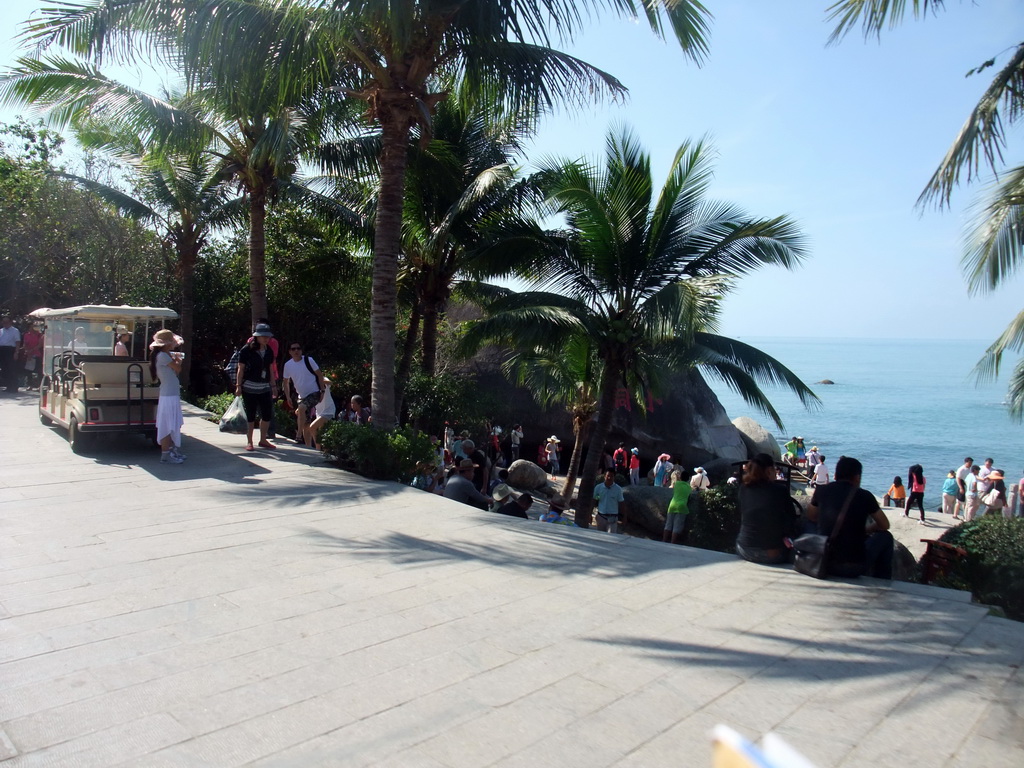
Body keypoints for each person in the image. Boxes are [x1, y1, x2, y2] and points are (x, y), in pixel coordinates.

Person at [806, 455, 893, 579]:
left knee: (809, 524)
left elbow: (811, 516)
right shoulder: (865, 496)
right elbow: (885, 525)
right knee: (886, 537)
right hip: (853, 567)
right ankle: (882, 580)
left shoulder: (822, 491)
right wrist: (869, 529)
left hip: (824, 562)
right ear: (857, 477)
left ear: (835, 475)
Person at [735, 453, 799, 564]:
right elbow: (791, 518)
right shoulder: (780, 490)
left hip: (744, 549)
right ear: (769, 471)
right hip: (771, 554)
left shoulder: (744, 488)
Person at [236, 322, 277, 451]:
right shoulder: (246, 350)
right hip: (249, 387)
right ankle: (249, 441)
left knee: (266, 414)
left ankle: (263, 439)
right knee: (251, 415)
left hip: (265, 386)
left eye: (268, 336)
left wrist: (273, 385)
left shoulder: (269, 350)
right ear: (256, 336)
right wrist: (238, 385)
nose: (266, 338)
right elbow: (240, 368)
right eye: (263, 336)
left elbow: (270, 368)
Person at [149, 329, 186, 464]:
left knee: (171, 423)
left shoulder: (162, 355)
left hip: (170, 393)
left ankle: (170, 451)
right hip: (169, 395)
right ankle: (166, 453)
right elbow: (178, 369)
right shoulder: (163, 356)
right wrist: (178, 360)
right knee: (168, 424)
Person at [282, 342, 326, 447]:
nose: (296, 351)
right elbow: (285, 382)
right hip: (302, 396)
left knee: (301, 408)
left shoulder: (309, 360)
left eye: (298, 348)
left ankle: (298, 435)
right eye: (293, 349)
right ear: (290, 352)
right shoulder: (288, 365)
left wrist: (322, 391)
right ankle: (307, 447)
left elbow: (320, 375)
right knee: (306, 423)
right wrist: (287, 397)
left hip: (314, 393)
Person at [305, 377, 336, 451]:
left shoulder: (322, 378)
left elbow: (330, 382)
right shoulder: (309, 386)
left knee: (312, 427)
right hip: (319, 412)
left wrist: (317, 380)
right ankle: (325, 452)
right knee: (322, 433)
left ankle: (318, 449)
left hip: (328, 410)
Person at [663, 469, 691, 545]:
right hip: (682, 507)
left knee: (668, 525)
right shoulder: (689, 487)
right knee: (676, 527)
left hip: (672, 505)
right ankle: (672, 543)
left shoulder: (677, 484)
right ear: (688, 479)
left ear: (681, 478)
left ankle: (664, 541)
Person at [594, 469, 626, 533]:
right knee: (600, 536)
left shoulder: (618, 489)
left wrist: (624, 517)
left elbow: (621, 503)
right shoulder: (598, 488)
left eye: (611, 476)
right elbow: (595, 500)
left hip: (612, 518)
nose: (609, 478)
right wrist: (589, 513)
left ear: (614, 477)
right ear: (604, 476)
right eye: (608, 476)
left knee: (611, 537)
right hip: (601, 517)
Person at [0, 316, 22, 393]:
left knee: (12, 369)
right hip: (2, 350)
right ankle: (8, 386)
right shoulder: (1, 331)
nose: (5, 324)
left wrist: (16, 352)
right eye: (3, 322)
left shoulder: (15, 331)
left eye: (6, 322)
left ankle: (14, 386)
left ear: (10, 322)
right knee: (4, 369)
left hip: (10, 350)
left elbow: (17, 342)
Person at [20, 321, 43, 389]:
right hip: (29, 355)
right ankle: (30, 384)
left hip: (38, 354)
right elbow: (25, 344)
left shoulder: (40, 335)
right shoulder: (27, 335)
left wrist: (32, 350)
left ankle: (40, 385)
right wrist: (27, 351)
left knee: (39, 370)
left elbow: (40, 345)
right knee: (28, 370)